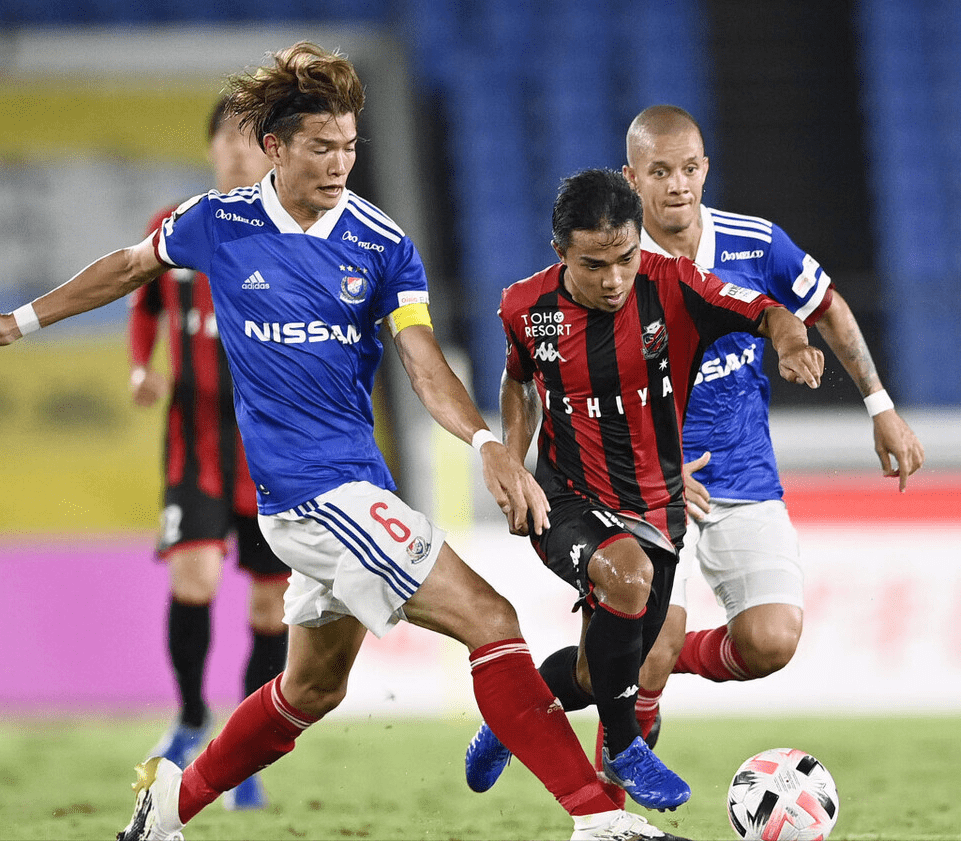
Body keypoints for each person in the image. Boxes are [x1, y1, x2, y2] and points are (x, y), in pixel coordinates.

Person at [0, 43, 690, 841]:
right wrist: (20, 322)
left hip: (360, 485)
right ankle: (598, 821)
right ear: (276, 147)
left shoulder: (380, 242)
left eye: (350, 146)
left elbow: (423, 360)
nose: (339, 163)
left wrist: (484, 444)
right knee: (490, 618)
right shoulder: (217, 222)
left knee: (311, 688)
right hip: (305, 492)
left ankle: (169, 806)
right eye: (322, 147)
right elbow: (128, 267)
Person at [463, 168, 825, 811]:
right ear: (560, 253)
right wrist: (513, 465)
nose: (613, 279)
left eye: (625, 257)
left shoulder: (674, 286)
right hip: (566, 497)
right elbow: (518, 382)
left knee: (597, 670)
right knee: (626, 578)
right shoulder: (525, 306)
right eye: (593, 264)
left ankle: (509, 722)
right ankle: (627, 749)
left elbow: (764, 311)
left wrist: (793, 338)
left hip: (657, 505)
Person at [618, 104, 925, 769]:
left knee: (771, 641)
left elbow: (828, 308)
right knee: (651, 633)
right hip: (654, 482)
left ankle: (655, 668)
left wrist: (880, 405)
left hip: (744, 470)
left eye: (689, 169)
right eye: (660, 171)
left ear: (706, 169)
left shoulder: (755, 243)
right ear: (632, 178)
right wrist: (650, 468)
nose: (677, 185)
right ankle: (608, 803)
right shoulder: (613, 268)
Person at [128, 95, 286, 811]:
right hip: (194, 441)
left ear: (272, 151)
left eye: (251, 138)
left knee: (270, 606)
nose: (237, 148)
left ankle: (242, 748)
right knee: (191, 577)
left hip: (271, 444)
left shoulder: (296, 231)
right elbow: (143, 300)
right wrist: (142, 366)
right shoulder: (175, 227)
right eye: (225, 135)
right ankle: (191, 715)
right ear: (212, 148)